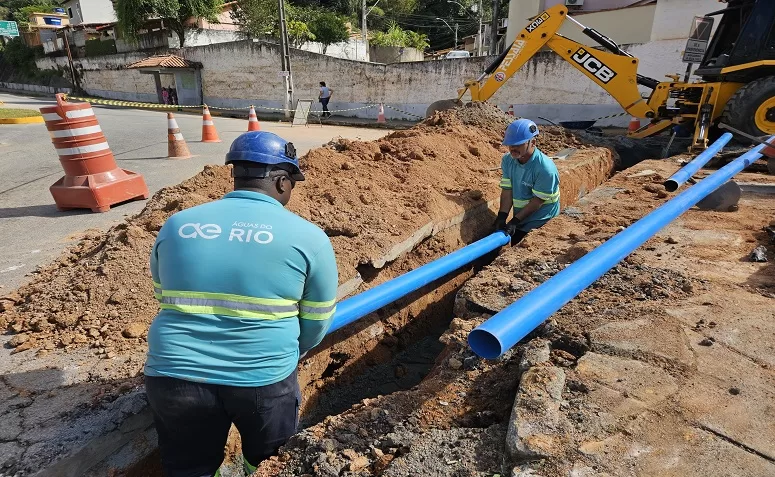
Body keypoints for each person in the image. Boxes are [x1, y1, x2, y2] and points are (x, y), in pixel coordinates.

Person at [144, 131, 339, 477]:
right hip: (263, 376)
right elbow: (317, 320)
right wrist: (290, 350)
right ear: (281, 181)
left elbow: (163, 294)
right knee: (269, 463)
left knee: (190, 467)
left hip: (174, 374)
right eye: (291, 183)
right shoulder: (308, 237)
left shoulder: (177, 225)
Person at [494, 118, 561, 245]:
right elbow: (508, 190)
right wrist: (502, 216)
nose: (513, 148)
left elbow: (538, 201)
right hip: (521, 219)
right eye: (511, 145)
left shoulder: (545, 169)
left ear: (533, 143)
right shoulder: (508, 161)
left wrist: (514, 221)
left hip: (541, 221)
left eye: (518, 144)